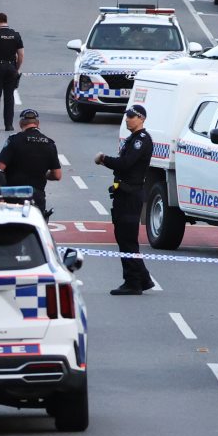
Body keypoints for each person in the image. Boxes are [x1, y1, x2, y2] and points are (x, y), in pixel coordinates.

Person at [95, 104, 154, 295]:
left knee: (127, 239)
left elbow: (126, 164)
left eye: (131, 116)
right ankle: (142, 278)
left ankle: (133, 282)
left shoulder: (141, 140)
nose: (127, 119)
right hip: (125, 193)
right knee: (124, 237)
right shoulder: (133, 139)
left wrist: (104, 159)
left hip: (130, 195)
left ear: (141, 119)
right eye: (127, 116)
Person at [0, 108, 61, 215]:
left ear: (21, 123)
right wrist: (43, 174)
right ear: (37, 123)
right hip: (37, 196)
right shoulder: (49, 143)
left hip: (14, 194)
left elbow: (0, 167)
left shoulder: (14, 140)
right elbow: (57, 175)